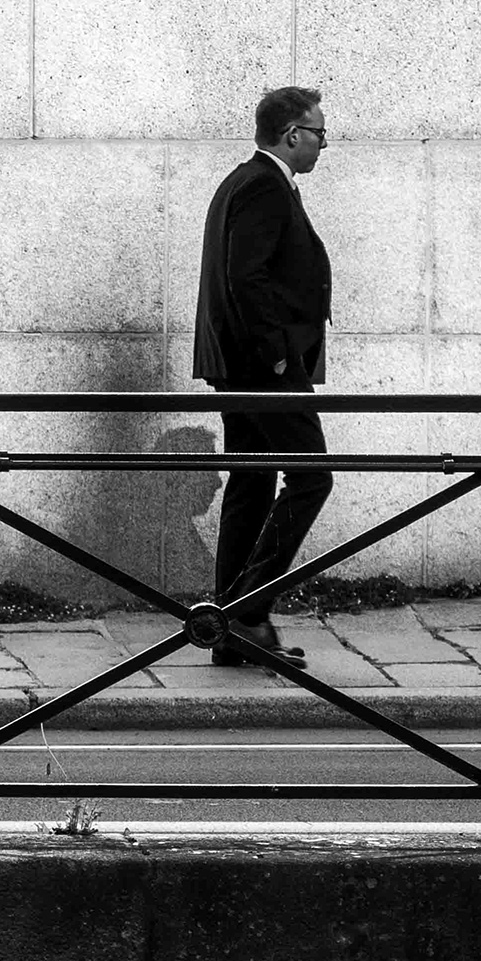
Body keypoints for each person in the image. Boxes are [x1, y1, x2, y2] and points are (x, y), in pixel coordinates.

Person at [192, 85, 334, 670]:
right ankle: (249, 610)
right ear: (293, 134)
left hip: (243, 365)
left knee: (251, 483)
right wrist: (277, 356)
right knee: (312, 478)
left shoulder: (245, 181)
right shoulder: (264, 186)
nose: (323, 143)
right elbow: (245, 276)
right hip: (263, 368)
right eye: (320, 132)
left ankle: (228, 626)